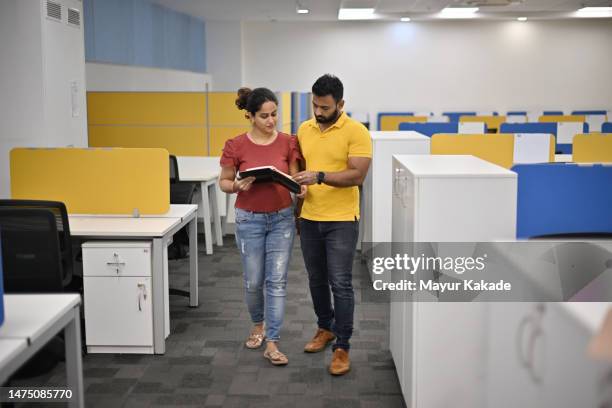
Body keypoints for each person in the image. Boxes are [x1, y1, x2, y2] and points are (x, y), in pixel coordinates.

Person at [218, 87, 305, 366]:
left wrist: (299, 187)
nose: (271, 121)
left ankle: (273, 342)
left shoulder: (288, 142)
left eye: (275, 114)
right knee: (253, 282)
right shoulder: (236, 145)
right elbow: (224, 182)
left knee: (276, 282)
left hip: (281, 218)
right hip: (249, 219)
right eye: (264, 116)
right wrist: (236, 186)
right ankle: (258, 325)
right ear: (250, 116)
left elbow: (295, 177)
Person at [294, 74, 372, 375]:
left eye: (324, 107)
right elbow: (299, 169)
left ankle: (343, 346)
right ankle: (324, 328)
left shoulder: (357, 132)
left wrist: (320, 176)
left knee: (340, 282)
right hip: (311, 217)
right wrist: (298, 204)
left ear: (340, 104)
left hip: (341, 219)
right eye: (315, 105)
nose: (318, 112)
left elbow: (357, 176)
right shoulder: (305, 129)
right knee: (316, 279)